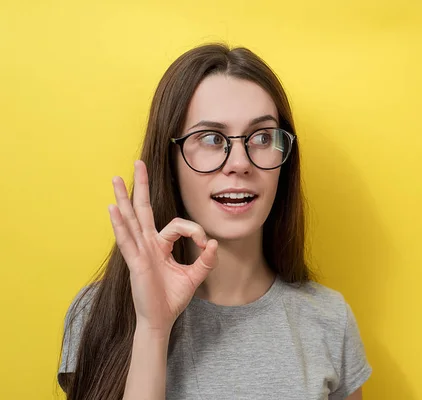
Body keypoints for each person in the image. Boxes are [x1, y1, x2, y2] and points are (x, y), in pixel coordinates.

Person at [58, 43, 372, 400]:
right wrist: (152, 329)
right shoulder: (99, 313)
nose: (239, 162)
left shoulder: (329, 320)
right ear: (170, 161)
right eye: (211, 138)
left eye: (262, 137)